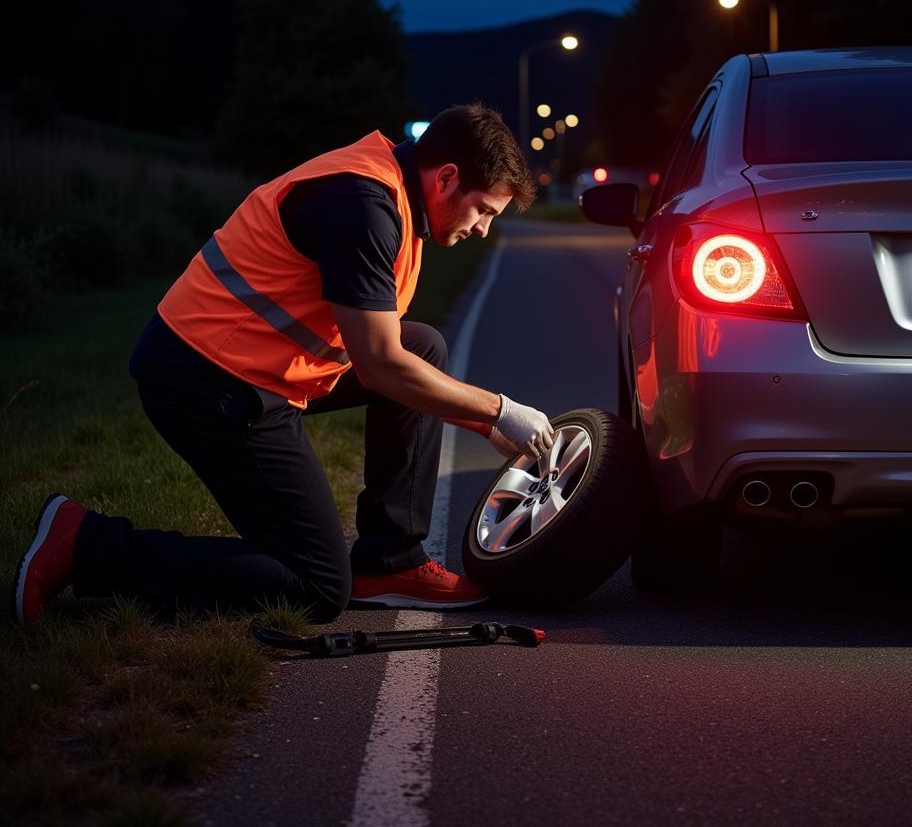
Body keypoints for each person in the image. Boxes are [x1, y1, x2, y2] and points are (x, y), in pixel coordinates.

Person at [12, 103, 554, 625]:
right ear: (447, 178)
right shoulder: (364, 204)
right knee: (316, 585)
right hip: (204, 381)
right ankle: (83, 543)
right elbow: (381, 367)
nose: (483, 228)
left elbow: (386, 352)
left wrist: (486, 420)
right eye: (483, 210)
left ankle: (392, 563)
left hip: (255, 365)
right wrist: (497, 411)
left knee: (424, 347)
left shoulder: (393, 191)